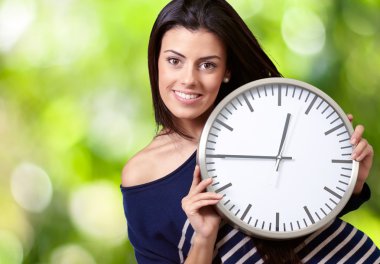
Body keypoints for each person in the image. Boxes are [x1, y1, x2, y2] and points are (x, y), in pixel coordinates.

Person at [121, 0, 379, 263]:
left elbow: (307, 213)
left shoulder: (268, 113)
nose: (188, 79)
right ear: (156, 62)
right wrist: (204, 236)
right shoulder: (143, 176)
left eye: (207, 64)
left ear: (227, 70)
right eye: (174, 61)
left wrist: (352, 181)